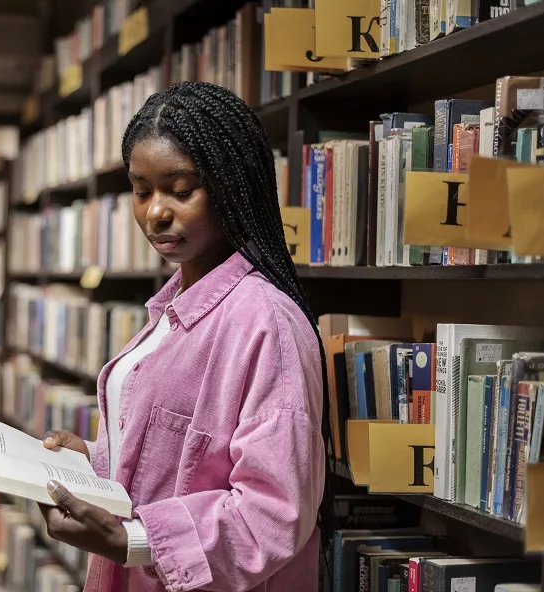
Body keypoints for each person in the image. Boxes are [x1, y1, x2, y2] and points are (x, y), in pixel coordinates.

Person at [40, 80, 332, 592]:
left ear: (231, 186)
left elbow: (273, 512)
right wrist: (93, 458)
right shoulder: (173, 304)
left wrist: (131, 541)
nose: (156, 212)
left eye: (180, 190)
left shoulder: (266, 322)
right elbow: (179, 461)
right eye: (140, 190)